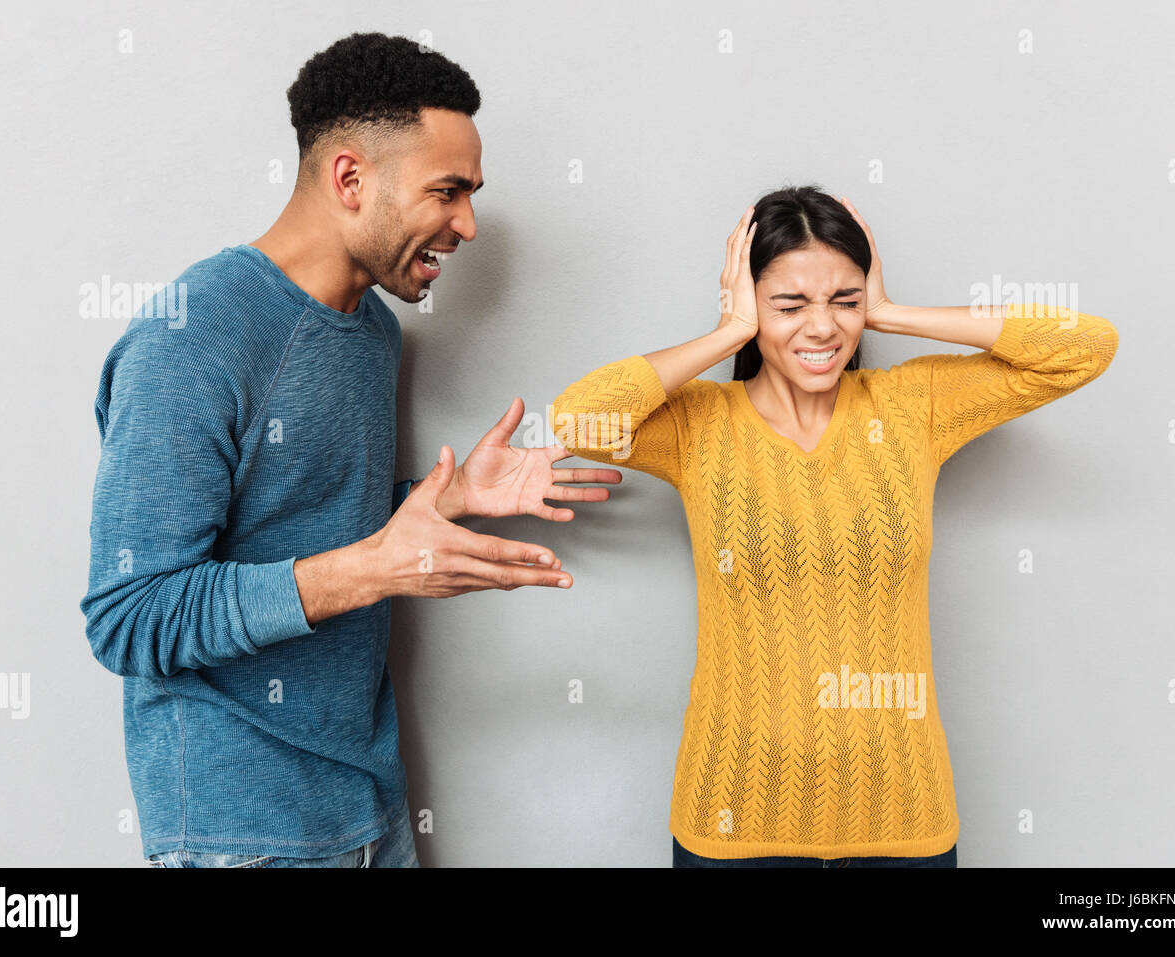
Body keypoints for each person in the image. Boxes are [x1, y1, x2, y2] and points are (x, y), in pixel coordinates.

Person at [80, 32, 619, 868]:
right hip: (241, 835)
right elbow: (129, 614)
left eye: (471, 195)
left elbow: (300, 521)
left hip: (368, 804)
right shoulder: (191, 338)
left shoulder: (373, 330)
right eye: (448, 191)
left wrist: (445, 500)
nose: (467, 225)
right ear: (349, 178)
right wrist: (381, 568)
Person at [548, 186, 1119, 867]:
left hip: (903, 814)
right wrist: (729, 331)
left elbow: (1086, 346)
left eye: (844, 301)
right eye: (789, 304)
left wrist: (893, 314)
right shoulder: (698, 423)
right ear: (748, 297)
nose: (822, 328)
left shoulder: (913, 406)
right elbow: (575, 419)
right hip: (732, 816)